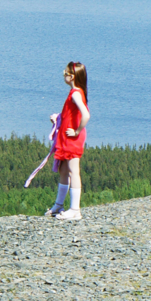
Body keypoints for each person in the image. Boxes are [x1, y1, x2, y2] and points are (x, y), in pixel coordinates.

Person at [45, 61, 90, 221]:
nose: (64, 75)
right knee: (63, 171)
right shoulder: (75, 93)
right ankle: (59, 205)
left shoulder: (76, 93)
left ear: (72, 77)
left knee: (73, 171)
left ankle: (75, 209)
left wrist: (76, 131)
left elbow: (86, 115)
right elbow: (72, 115)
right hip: (66, 137)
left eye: (66, 73)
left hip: (72, 139)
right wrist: (58, 119)